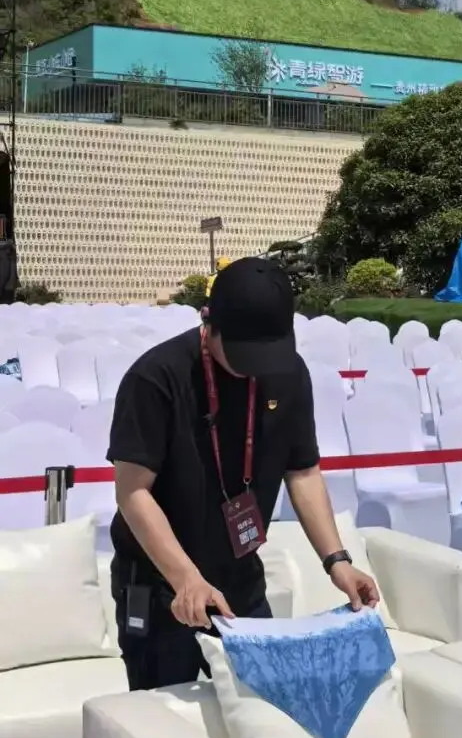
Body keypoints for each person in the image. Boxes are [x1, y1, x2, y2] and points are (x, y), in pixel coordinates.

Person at [108, 256, 379, 691]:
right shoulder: (156, 377)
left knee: (262, 702)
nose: (253, 367)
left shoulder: (288, 373)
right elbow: (133, 493)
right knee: (166, 716)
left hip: (240, 579)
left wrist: (337, 561)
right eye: (242, 354)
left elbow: (303, 472)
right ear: (208, 321)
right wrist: (186, 579)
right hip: (163, 585)